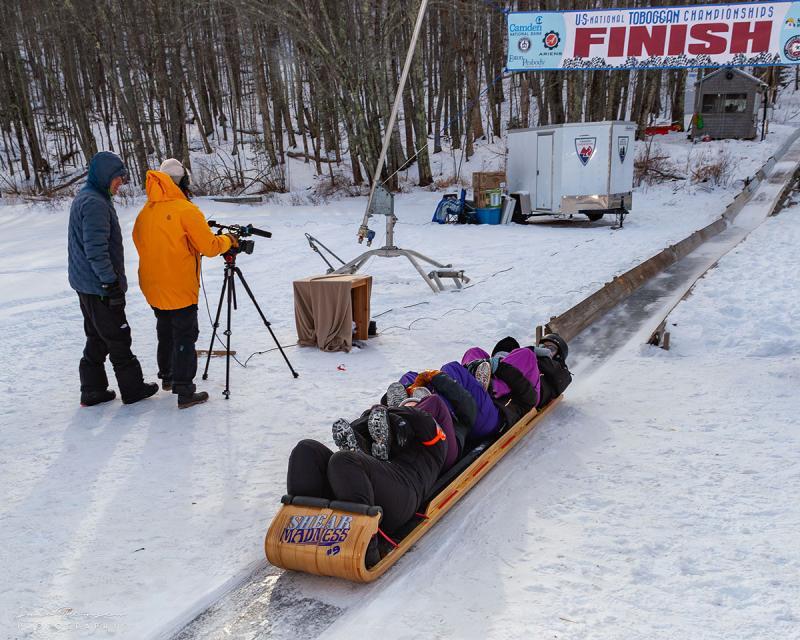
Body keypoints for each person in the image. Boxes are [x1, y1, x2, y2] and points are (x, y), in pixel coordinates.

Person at [287, 399, 449, 566]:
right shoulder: (382, 424)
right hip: (362, 485)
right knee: (306, 449)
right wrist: (378, 417)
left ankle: (367, 546)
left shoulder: (435, 438)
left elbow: (423, 418)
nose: (406, 406)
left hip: (405, 492)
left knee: (343, 460)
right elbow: (355, 426)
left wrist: (394, 415)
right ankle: (297, 533)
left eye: (412, 405)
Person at [132, 159, 237, 409]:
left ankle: (168, 376)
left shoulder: (146, 211)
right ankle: (184, 390)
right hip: (178, 285)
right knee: (185, 335)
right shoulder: (185, 210)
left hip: (152, 284)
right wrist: (228, 240)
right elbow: (210, 247)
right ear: (183, 182)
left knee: (165, 329)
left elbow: (140, 242)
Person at [68, 151, 158, 406]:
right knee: (118, 335)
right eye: (117, 178)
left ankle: (93, 389)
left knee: (97, 335)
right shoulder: (95, 203)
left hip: (86, 283)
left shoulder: (89, 196)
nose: (120, 183)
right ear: (105, 176)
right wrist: (110, 283)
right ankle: (133, 389)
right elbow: (95, 249)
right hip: (98, 285)